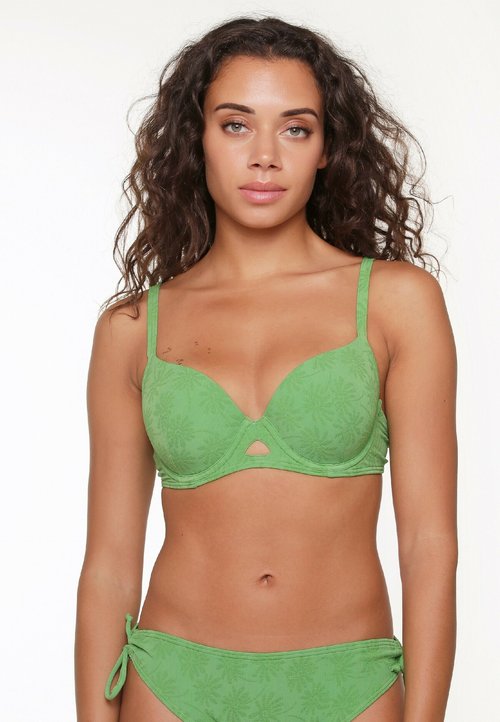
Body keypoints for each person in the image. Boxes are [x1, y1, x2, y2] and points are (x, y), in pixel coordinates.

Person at [74, 15, 458, 722]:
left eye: (296, 129)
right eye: (235, 125)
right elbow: (108, 566)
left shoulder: (397, 303)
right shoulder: (131, 330)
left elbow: (429, 545)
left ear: (326, 148)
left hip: (348, 683)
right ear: (196, 139)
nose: (264, 157)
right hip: (171, 683)